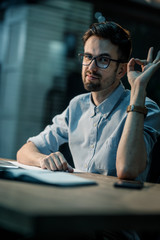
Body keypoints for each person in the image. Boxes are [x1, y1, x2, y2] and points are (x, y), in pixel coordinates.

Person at [17, 21, 160, 240]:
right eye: (87, 57)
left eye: (103, 60)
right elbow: (26, 150)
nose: (91, 67)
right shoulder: (77, 106)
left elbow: (128, 170)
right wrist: (42, 160)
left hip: (113, 229)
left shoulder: (145, 107)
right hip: (74, 217)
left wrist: (138, 90)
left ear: (121, 69)